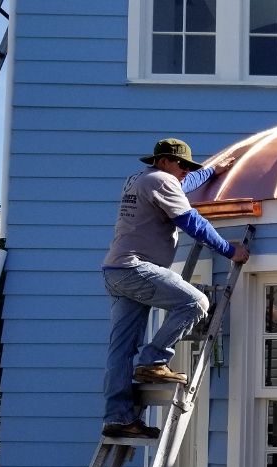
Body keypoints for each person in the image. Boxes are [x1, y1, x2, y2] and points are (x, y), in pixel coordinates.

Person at [101, 138, 250, 439]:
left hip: (115, 271)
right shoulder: (163, 181)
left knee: (121, 349)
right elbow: (191, 222)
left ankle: (118, 417)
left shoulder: (141, 179)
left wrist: (209, 171)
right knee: (196, 303)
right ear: (165, 161)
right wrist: (229, 251)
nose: (185, 171)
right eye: (182, 165)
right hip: (135, 268)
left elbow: (185, 183)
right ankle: (154, 361)